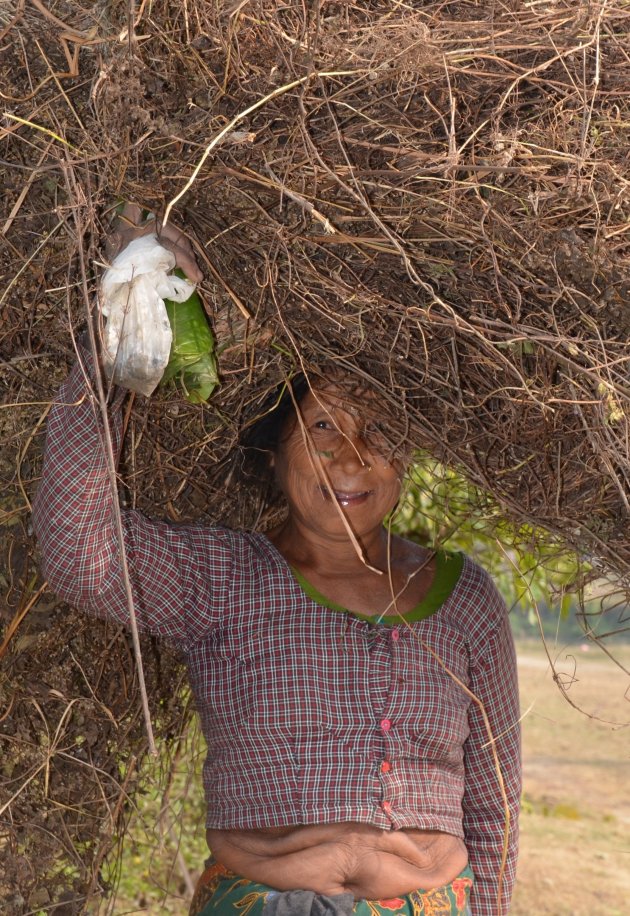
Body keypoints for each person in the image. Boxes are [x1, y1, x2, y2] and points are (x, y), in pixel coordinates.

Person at [32, 209, 521, 916]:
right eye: (323, 426)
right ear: (275, 446)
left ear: (405, 456)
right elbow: (80, 553)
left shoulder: (464, 597)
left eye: (377, 433)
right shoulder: (221, 577)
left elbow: (495, 805)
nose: (352, 457)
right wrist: (117, 331)